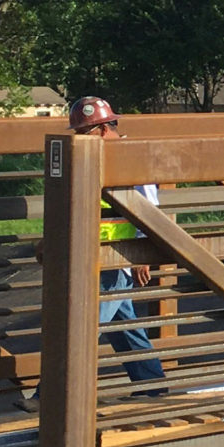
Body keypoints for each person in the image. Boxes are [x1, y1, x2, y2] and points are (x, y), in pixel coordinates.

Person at [71, 96, 166, 388]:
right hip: (99, 254)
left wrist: (139, 255)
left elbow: (149, 210)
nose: (78, 139)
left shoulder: (131, 158)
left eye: (82, 132)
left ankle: (47, 394)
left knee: (83, 330)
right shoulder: (100, 157)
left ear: (101, 129)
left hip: (118, 258)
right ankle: (153, 388)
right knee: (124, 329)